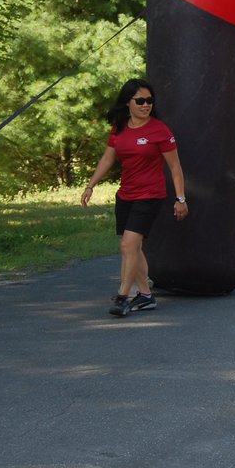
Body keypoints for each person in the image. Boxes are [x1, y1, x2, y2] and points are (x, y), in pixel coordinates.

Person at [82, 78, 188, 317]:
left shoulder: (160, 130)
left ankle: (123, 296)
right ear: (128, 102)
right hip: (126, 194)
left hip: (150, 194)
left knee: (127, 245)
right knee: (134, 247)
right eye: (140, 100)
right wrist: (90, 186)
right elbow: (108, 159)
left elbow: (175, 168)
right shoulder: (119, 128)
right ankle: (146, 296)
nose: (145, 105)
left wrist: (180, 199)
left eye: (149, 101)